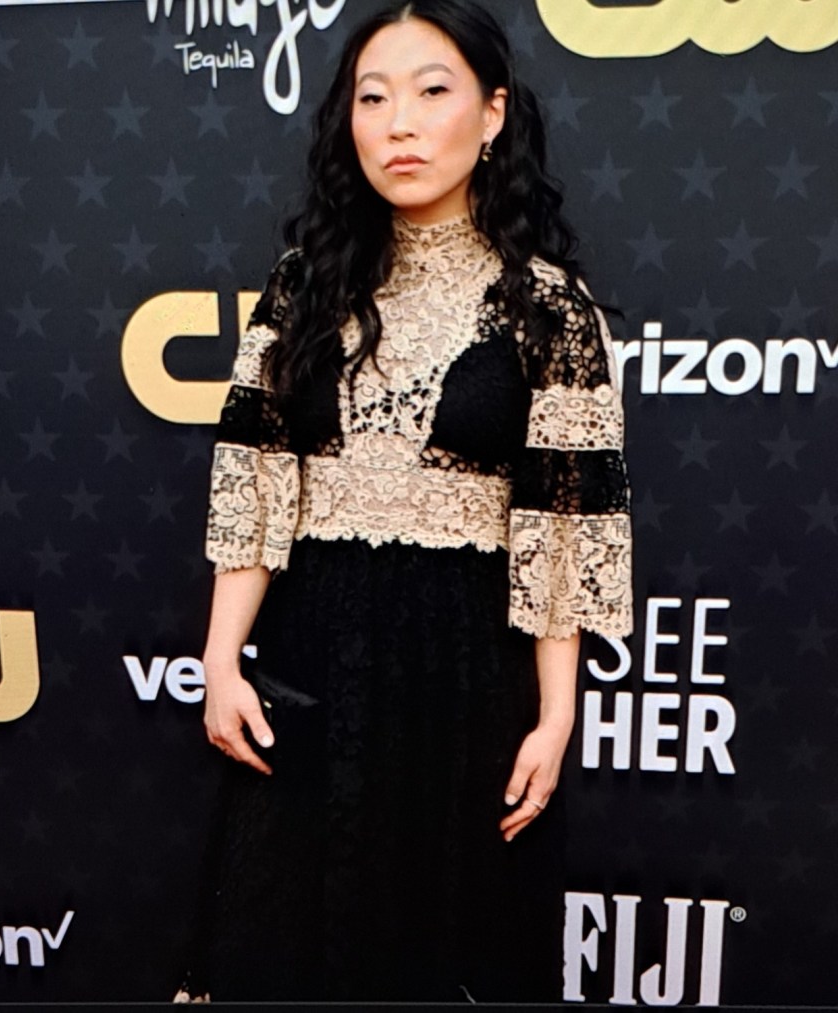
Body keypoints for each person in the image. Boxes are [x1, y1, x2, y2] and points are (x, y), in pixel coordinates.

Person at [176, 0, 633, 1002]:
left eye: (433, 92)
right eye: (373, 99)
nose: (400, 125)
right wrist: (220, 659)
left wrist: (556, 716)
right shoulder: (303, 286)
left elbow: (562, 526)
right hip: (311, 655)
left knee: (445, 948)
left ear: (493, 113)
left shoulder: (549, 307)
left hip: (467, 670)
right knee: (279, 941)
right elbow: (255, 481)